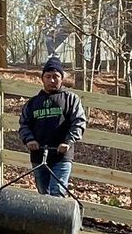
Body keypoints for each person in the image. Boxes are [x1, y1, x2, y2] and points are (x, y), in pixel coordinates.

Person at [18, 55, 86, 197]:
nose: (52, 80)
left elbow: (79, 122)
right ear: (42, 78)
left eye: (56, 76)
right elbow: (24, 125)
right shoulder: (32, 103)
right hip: (38, 155)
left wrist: (68, 141)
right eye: (48, 76)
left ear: (62, 78)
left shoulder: (71, 99)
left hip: (61, 156)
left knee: (57, 194)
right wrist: (29, 139)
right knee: (43, 194)